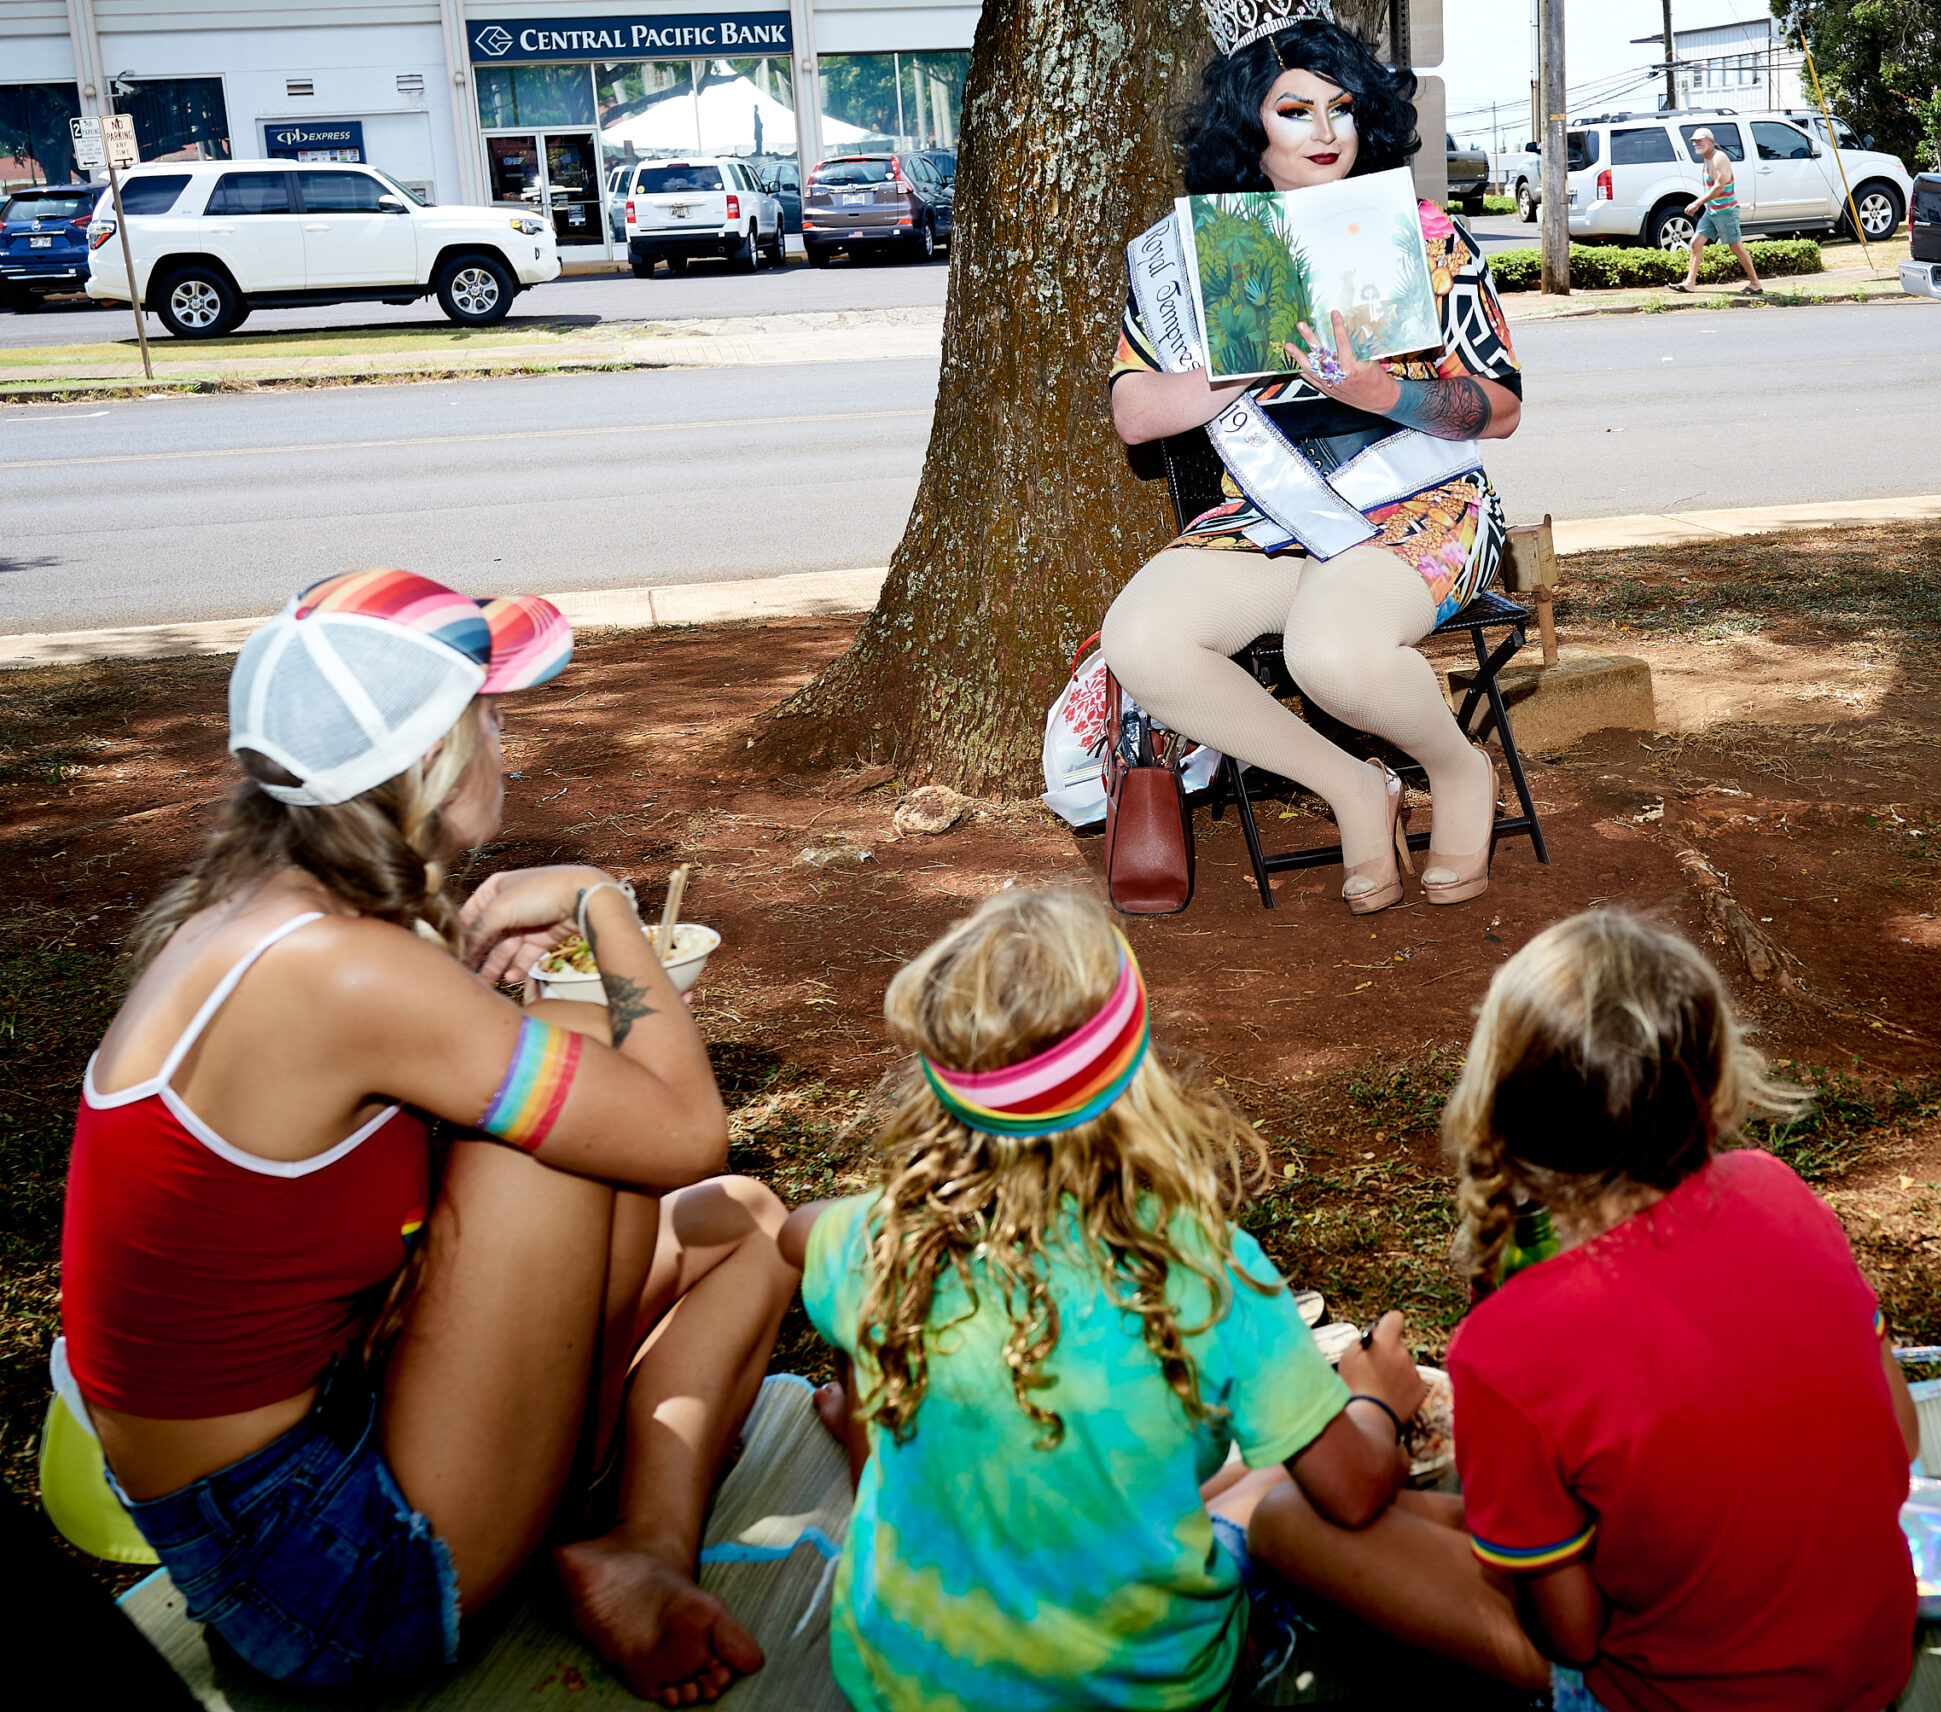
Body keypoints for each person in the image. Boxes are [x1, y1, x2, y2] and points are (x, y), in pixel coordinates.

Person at [57, 570, 794, 1706]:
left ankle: (639, 1543)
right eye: (489, 719)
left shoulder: (260, 919)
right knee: (575, 1072)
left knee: (748, 1226)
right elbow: (685, 1133)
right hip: (326, 1575)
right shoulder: (346, 969)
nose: (507, 746)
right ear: (434, 757)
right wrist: (601, 904)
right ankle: (606, 1526)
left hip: (295, 1480)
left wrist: (474, 988)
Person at [1243, 908, 1922, 1710]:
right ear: (1711, 1076)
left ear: (1504, 1106)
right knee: (1440, 1519)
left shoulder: (1506, 1345)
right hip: (1872, 1660)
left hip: (1676, 1694)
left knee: (1286, 1518)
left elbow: (1572, 1636)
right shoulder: (1779, 1190)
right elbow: (1903, 1433)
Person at [781, 884, 1427, 1711]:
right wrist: (1377, 1401)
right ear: (1135, 1076)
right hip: (1142, 1692)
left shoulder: (876, 1240)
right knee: (1270, 1485)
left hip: (903, 1681)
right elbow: (1354, 1490)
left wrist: (872, 1396)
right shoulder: (1208, 1269)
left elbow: (794, 1232)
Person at [1101, 0, 1522, 917]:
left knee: (1329, 652)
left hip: (1419, 505)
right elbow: (1136, 416)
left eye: (1341, 109)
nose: (1326, 133)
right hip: (1269, 512)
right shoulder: (1187, 260)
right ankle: (1352, 787)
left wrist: (1383, 393)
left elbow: (1501, 407)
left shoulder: (1425, 235)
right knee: (1141, 639)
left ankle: (1459, 771)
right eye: (1295, 111)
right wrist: (1246, 355)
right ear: (1251, 128)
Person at [1676, 128, 1761, 296]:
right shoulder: (1707, 158)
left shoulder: (1719, 158)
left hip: (1726, 211)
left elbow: (1719, 187)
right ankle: (1690, 283)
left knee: (1735, 246)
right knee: (1696, 243)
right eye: (1694, 141)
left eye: (1699, 140)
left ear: (1709, 141)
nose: (1696, 144)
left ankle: (1755, 284)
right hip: (1712, 210)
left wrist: (1698, 203)